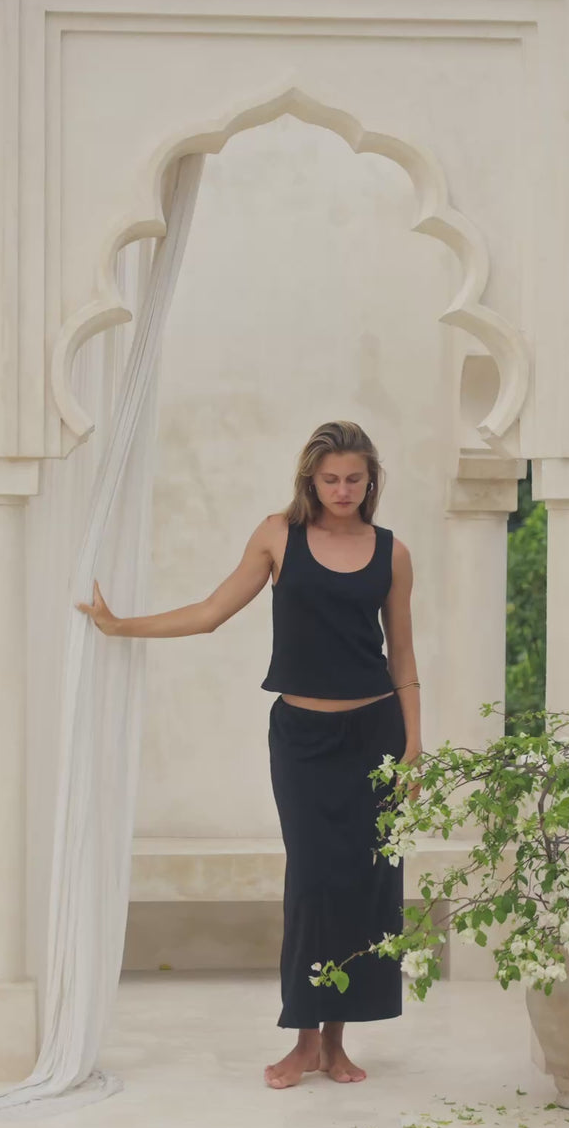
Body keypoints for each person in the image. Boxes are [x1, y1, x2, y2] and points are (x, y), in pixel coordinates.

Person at [76, 419, 422, 1090]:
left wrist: (415, 743)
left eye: (355, 478)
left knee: (365, 883)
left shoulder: (392, 553)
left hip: (376, 736)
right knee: (314, 879)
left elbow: (402, 653)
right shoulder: (278, 536)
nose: (343, 489)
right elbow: (210, 612)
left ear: (370, 480)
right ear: (310, 480)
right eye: (331, 479)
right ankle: (302, 1039)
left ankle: (336, 1043)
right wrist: (121, 626)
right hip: (302, 738)